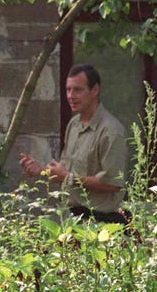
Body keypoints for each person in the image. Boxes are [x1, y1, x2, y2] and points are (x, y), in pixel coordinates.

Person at [19, 63, 130, 224]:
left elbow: (112, 183)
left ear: (95, 90)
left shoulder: (111, 131)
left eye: (78, 90)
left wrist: (69, 178)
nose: (71, 95)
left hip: (103, 223)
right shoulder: (74, 124)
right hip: (74, 219)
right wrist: (41, 170)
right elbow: (67, 172)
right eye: (68, 89)